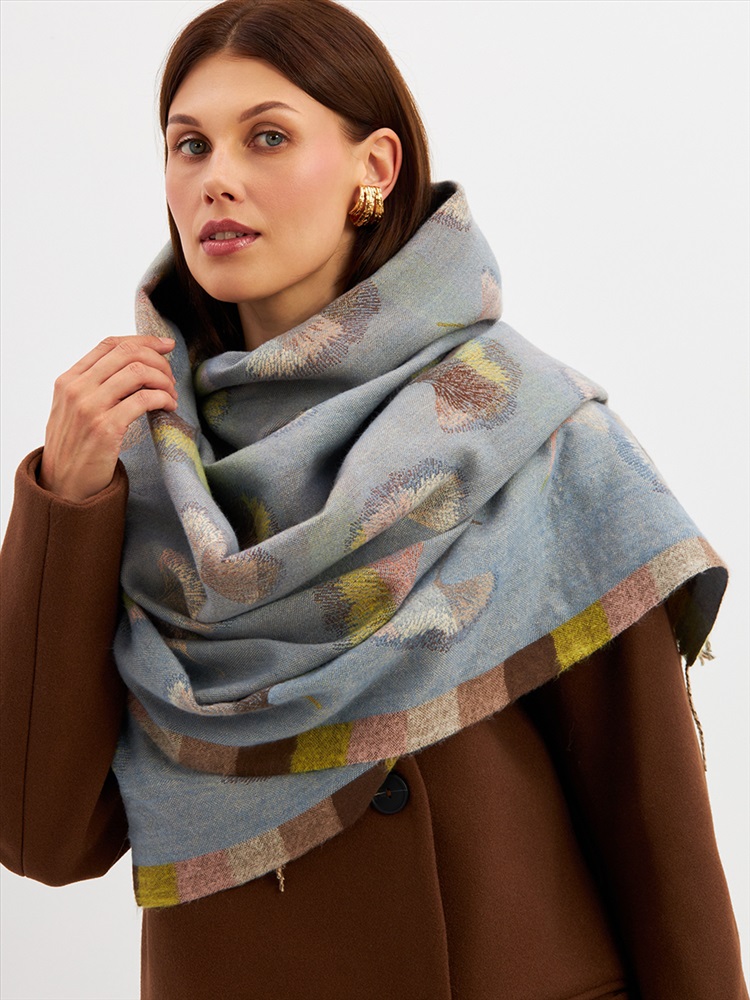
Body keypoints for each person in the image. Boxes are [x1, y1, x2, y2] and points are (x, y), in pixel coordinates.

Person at [0, 1, 747, 998]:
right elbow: (39, 837)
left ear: (376, 168)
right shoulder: (136, 468)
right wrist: (65, 502)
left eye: (267, 137)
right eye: (189, 144)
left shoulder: (525, 428)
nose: (215, 176)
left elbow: (653, 829)